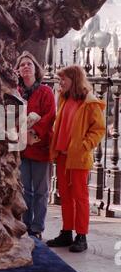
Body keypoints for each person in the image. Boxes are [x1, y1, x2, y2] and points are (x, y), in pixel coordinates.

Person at [47, 65, 105, 252]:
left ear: (74, 80)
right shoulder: (64, 98)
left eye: (63, 79)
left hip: (78, 157)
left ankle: (81, 235)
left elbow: (98, 129)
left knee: (80, 197)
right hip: (63, 156)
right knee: (65, 196)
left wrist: (84, 146)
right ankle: (66, 232)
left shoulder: (89, 102)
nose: (60, 82)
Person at [17, 51, 56, 240]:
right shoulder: (15, 92)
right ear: (18, 70)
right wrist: (19, 131)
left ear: (35, 69)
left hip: (40, 147)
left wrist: (34, 132)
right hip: (22, 148)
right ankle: (25, 224)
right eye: (22, 64)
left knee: (40, 191)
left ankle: (37, 227)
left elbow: (50, 115)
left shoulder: (46, 91)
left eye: (29, 64)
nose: (25, 67)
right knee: (24, 190)